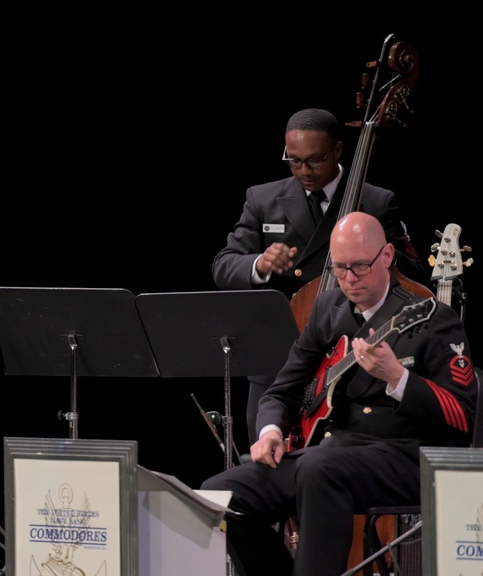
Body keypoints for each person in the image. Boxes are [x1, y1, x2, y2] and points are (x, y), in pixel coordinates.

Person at [201, 211, 477, 576]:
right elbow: (282, 389)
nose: (349, 279)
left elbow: (463, 415)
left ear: (388, 257)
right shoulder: (328, 310)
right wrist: (270, 431)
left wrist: (398, 378)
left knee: (318, 468)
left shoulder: (430, 317)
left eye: (360, 267)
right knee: (217, 494)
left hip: (403, 457)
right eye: (341, 267)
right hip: (331, 454)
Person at [211, 108, 429, 445]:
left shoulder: (375, 200)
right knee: (269, 456)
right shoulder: (262, 198)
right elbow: (224, 265)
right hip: (279, 358)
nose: (304, 171)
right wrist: (260, 264)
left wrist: (370, 252)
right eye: (293, 161)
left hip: (349, 354)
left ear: (338, 151)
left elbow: (413, 272)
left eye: (315, 161)